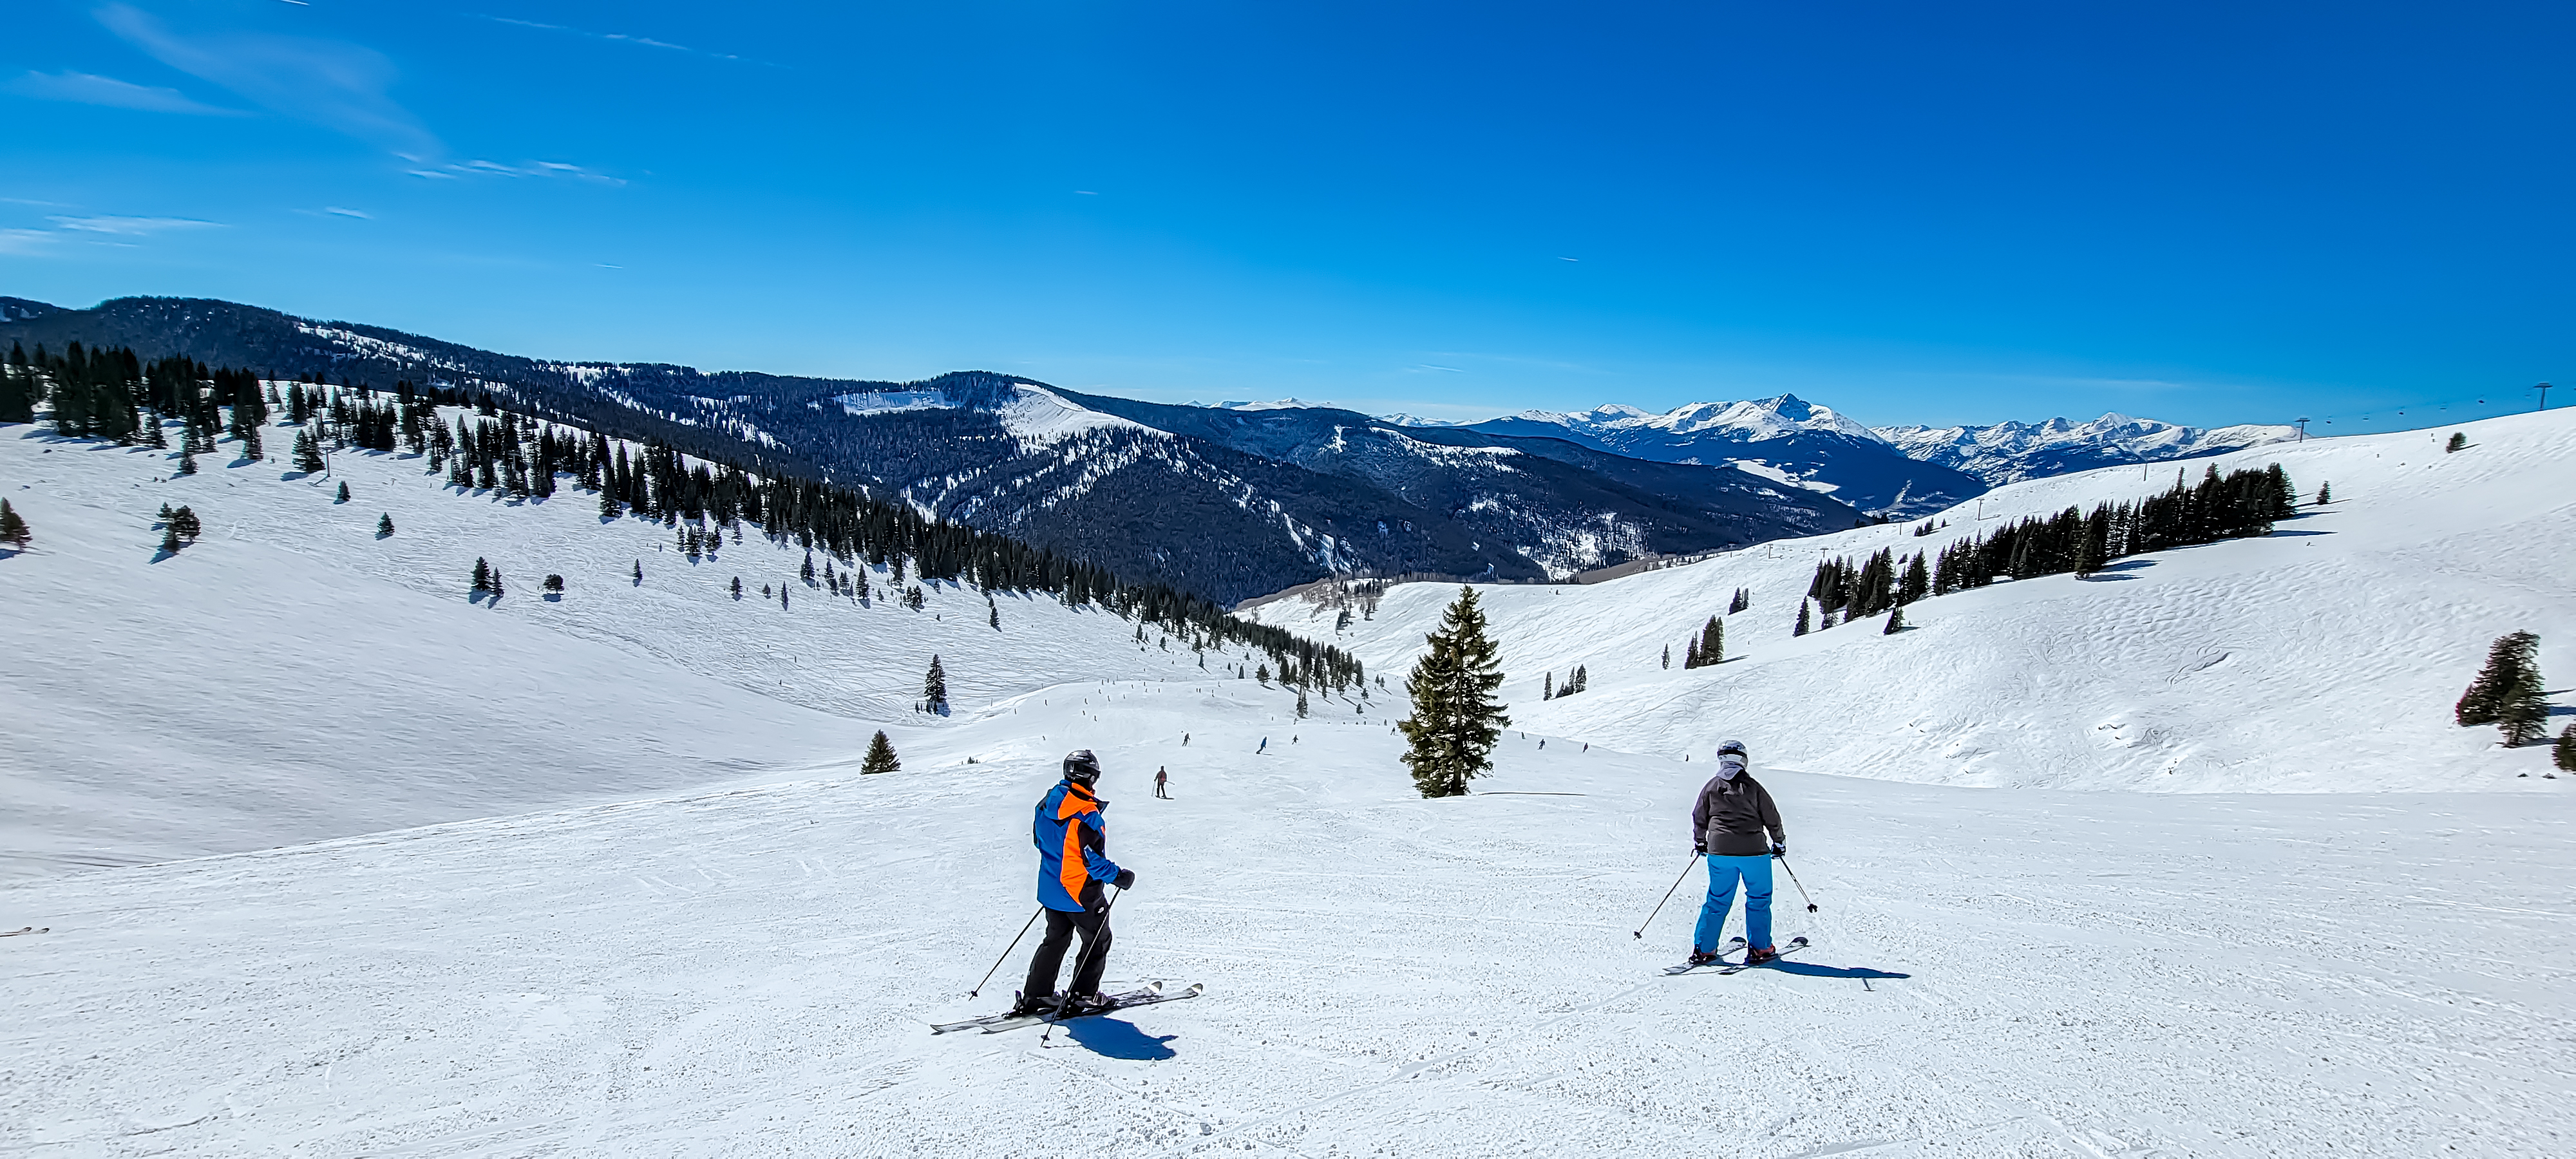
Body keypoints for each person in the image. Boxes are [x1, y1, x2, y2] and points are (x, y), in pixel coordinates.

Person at [1013, 750, 1135, 1017]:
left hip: (1051, 888)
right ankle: (1083, 996)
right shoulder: (1087, 815)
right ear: (1091, 777)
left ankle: (1037, 995)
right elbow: (1093, 861)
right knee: (1097, 940)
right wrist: (1119, 877)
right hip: (1081, 893)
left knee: (1056, 939)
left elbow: (1038, 840)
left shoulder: (1047, 803)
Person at [1686, 739, 1787, 966]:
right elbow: (1772, 817)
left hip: (1719, 852)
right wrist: (1779, 842)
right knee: (1758, 899)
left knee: (1718, 899)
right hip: (1754, 852)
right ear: (1744, 759)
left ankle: (1704, 949)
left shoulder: (1712, 786)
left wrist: (1700, 841)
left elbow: (1699, 816)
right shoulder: (1753, 787)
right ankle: (1761, 949)